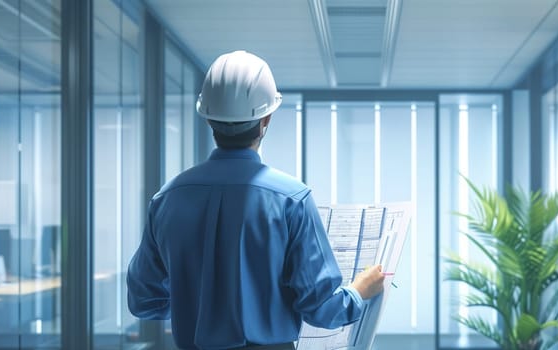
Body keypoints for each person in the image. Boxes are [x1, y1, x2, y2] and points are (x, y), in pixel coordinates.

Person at [127, 50, 386, 350]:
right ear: (267, 118)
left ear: (208, 117)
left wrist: (200, 306)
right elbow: (322, 308)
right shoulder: (292, 200)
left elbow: (143, 301)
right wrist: (359, 292)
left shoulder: (167, 199)